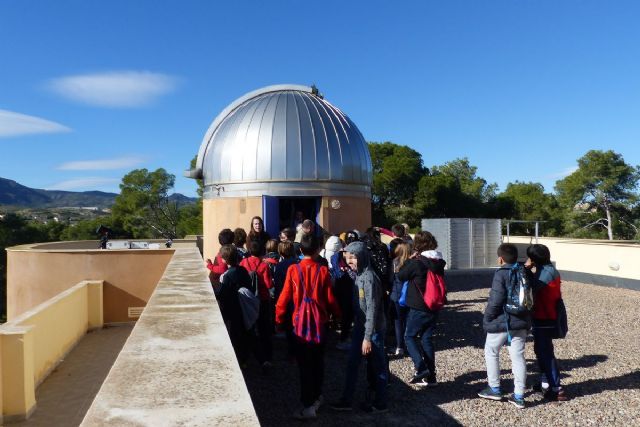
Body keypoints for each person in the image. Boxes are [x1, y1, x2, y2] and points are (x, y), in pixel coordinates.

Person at [276, 234, 341, 420]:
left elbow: (284, 298)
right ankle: (317, 396)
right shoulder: (322, 271)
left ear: (300, 249)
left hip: (300, 325)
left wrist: (279, 320)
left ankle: (307, 405)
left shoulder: (293, 270)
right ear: (318, 249)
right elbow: (330, 299)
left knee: (304, 365)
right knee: (318, 361)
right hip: (320, 323)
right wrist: (338, 315)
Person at [331, 241, 388, 413]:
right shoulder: (358, 275)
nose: (349, 262)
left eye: (353, 258)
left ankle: (381, 402)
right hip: (360, 327)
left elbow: (372, 309)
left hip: (373, 330)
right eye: (347, 258)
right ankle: (347, 399)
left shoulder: (369, 278)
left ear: (362, 257)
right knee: (352, 364)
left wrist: (367, 338)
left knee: (378, 366)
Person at [477, 243, 530, 409]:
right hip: (521, 319)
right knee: (518, 356)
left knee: (492, 351)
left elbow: (496, 300)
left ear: (500, 259)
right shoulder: (524, 271)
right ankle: (519, 395)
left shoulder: (501, 273)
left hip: (502, 320)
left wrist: (488, 318)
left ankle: (494, 388)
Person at [396, 231, 446, 387]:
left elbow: (401, 275)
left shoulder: (417, 262)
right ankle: (431, 378)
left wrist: (408, 261)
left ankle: (421, 367)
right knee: (426, 339)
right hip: (434, 305)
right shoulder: (439, 261)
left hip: (419, 306)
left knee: (409, 337)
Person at [526, 244, 568, 402]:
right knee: (541, 350)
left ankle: (557, 389)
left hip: (545, 317)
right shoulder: (548, 269)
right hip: (546, 315)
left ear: (535, 259)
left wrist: (526, 270)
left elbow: (532, 288)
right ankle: (545, 384)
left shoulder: (546, 273)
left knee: (545, 353)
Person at [217, 244, 253, 366]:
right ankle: (245, 359)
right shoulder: (243, 271)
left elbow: (222, 294)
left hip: (232, 311)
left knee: (234, 337)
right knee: (244, 335)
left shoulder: (227, 276)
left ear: (224, 259)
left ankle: (238, 361)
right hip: (244, 309)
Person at [240, 240, 274, 369]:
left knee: (248, 329)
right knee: (264, 329)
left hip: (247, 299)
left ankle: (246, 358)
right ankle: (267, 357)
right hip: (262, 300)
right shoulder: (264, 266)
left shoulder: (244, 263)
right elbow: (268, 284)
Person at [274, 240, 299, 360]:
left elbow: (278, 285)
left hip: (286, 297)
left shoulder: (280, 266)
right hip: (297, 297)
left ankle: (291, 351)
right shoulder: (298, 263)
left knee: (289, 325)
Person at [389, 242, 411, 357]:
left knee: (398, 322)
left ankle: (399, 346)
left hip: (396, 295)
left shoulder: (394, 262)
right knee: (407, 322)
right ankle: (409, 344)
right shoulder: (412, 263)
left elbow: (390, 279)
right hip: (410, 296)